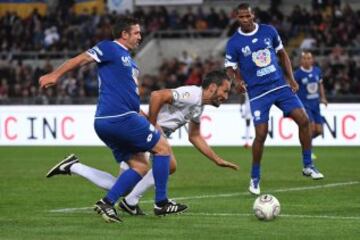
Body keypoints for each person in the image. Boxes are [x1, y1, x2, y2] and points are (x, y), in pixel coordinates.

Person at [39, 16, 187, 223]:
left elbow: (132, 102)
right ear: (124, 34)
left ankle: (107, 203)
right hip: (117, 117)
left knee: (140, 167)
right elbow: (80, 59)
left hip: (115, 119)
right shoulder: (109, 48)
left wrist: (148, 120)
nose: (140, 36)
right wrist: (55, 75)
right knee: (162, 149)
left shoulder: (131, 63)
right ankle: (161, 203)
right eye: (136, 33)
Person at [46, 70, 239, 215]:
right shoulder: (192, 94)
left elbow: (194, 136)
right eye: (225, 90)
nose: (226, 96)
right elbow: (157, 95)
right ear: (212, 87)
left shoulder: (198, 107)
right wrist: (152, 126)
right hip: (142, 134)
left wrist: (217, 159)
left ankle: (77, 168)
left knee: (128, 181)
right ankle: (140, 201)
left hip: (147, 137)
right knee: (166, 165)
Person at [224, 3, 324, 195]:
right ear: (237, 18)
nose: (245, 20)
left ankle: (308, 165)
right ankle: (255, 178)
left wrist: (291, 79)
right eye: (241, 17)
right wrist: (237, 80)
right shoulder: (234, 42)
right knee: (261, 134)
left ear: (253, 15)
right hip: (258, 93)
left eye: (247, 16)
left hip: (279, 86)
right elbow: (230, 67)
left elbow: (282, 54)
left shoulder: (269, 31)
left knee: (304, 121)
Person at [294, 51, 328, 159]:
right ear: (301, 60)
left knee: (319, 131)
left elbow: (320, 85)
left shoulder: (317, 71)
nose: (307, 60)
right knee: (311, 128)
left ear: (312, 60)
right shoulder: (297, 74)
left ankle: (305, 144)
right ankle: (308, 151)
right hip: (305, 105)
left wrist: (323, 98)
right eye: (304, 58)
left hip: (316, 105)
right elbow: (293, 89)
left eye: (309, 58)